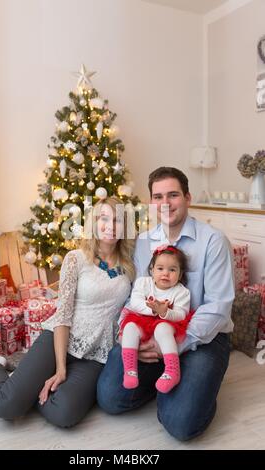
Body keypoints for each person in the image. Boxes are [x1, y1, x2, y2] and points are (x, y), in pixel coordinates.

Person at [0, 196, 134, 428]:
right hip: (60, 338)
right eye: (103, 218)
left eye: (117, 220)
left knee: (64, 414)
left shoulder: (130, 265)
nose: (110, 226)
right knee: (5, 405)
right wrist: (61, 368)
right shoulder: (76, 259)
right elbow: (63, 315)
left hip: (97, 354)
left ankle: (27, 386)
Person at [97, 167, 235, 441]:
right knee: (110, 398)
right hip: (151, 330)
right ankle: (166, 376)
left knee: (181, 425)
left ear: (187, 197)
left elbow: (218, 308)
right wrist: (132, 336)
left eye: (173, 195)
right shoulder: (144, 242)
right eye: (158, 196)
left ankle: (192, 393)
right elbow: (135, 295)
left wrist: (174, 345)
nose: (165, 203)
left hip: (202, 337)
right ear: (151, 203)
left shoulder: (213, 241)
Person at [120, 244, 192, 393]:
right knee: (130, 328)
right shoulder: (143, 283)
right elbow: (135, 302)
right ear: (152, 270)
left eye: (172, 270)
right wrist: (153, 310)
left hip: (168, 322)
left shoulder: (181, 292)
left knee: (162, 328)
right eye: (160, 268)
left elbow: (181, 314)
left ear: (180, 274)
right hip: (143, 318)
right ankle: (130, 369)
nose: (165, 273)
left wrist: (164, 313)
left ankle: (172, 371)